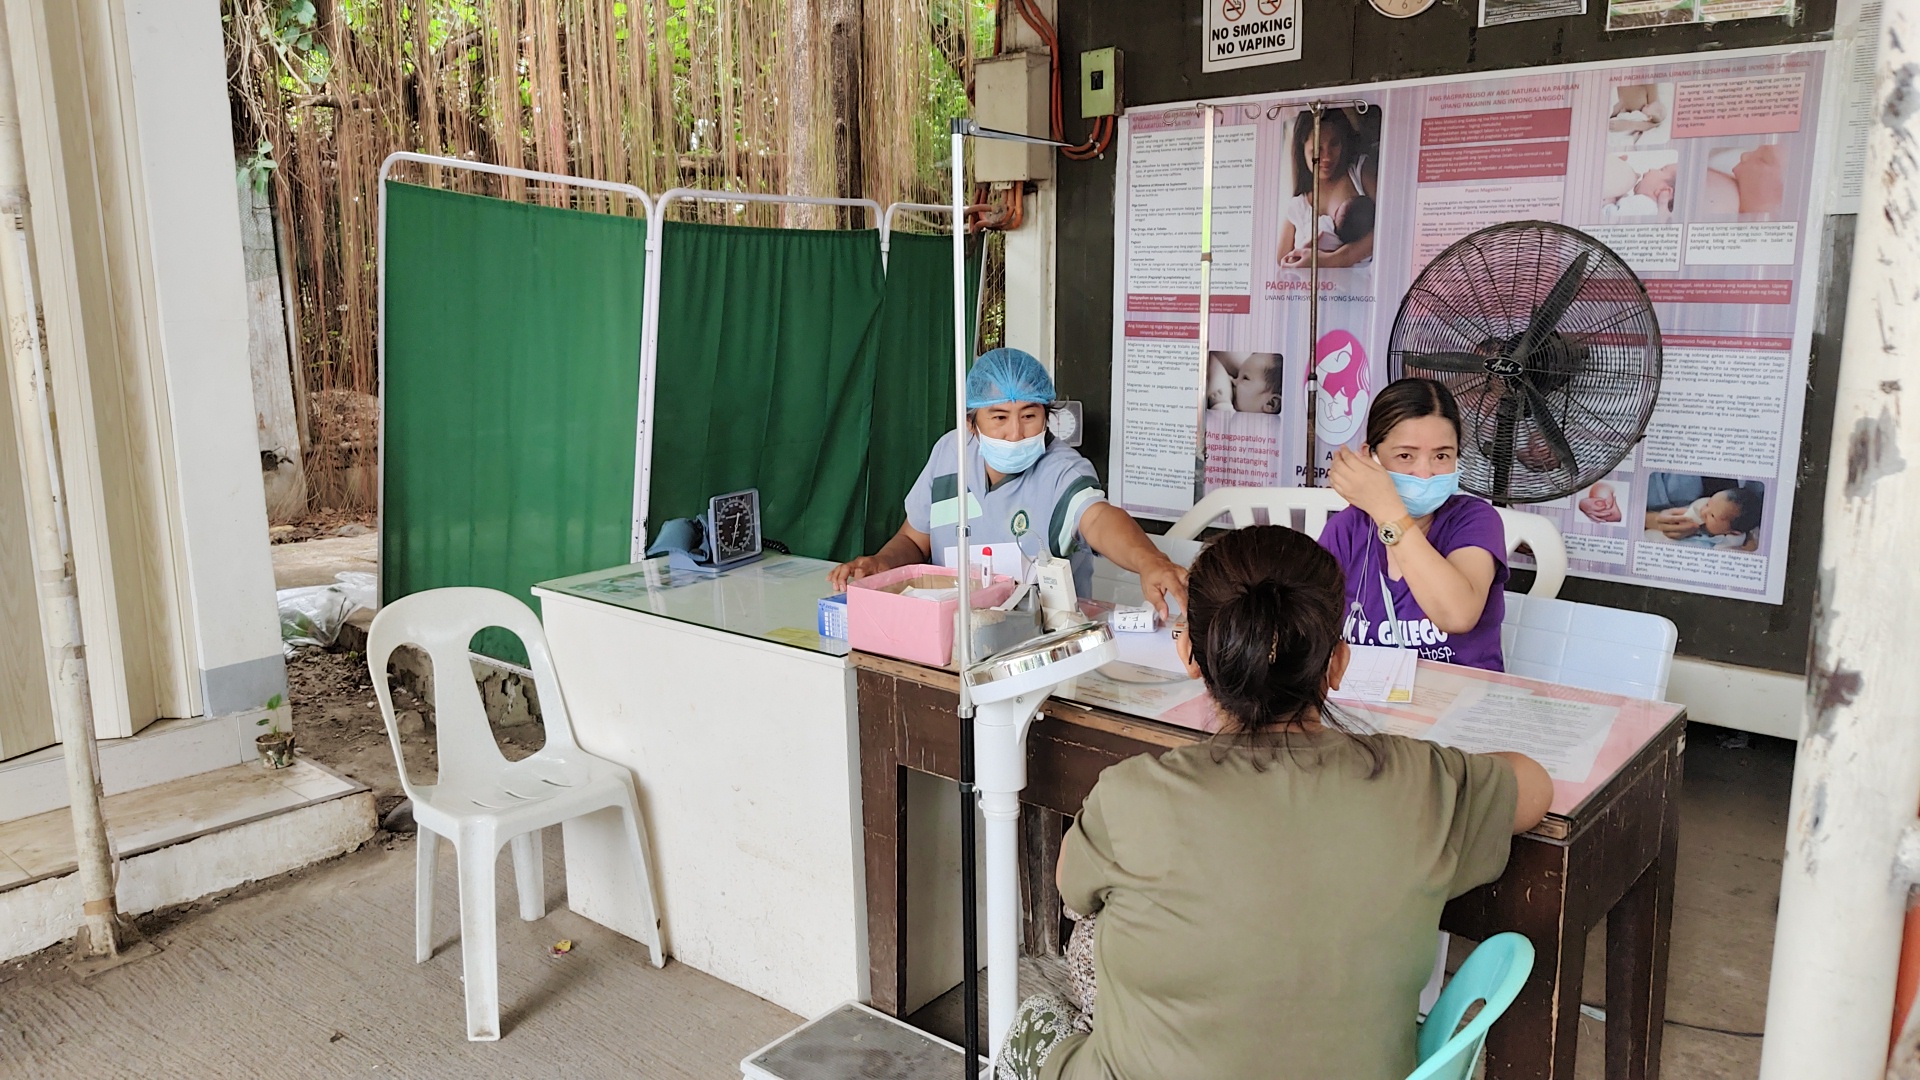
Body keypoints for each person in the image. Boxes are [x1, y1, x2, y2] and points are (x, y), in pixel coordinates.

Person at [993, 525, 1553, 1080]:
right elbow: (1534, 787)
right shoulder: (1420, 780)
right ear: (1337, 664)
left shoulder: (1130, 795)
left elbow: (1072, 886)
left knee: (1041, 1010)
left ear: (1190, 653)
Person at [828, 348, 1187, 617]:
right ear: (971, 422)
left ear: (1047, 416)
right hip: (953, 633)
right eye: (999, 417)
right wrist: (882, 563)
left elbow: (1096, 518)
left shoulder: (1061, 471)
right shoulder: (950, 454)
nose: (1015, 433)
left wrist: (1149, 560)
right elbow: (913, 538)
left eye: (1029, 416)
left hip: (1041, 642)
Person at [1320, 378, 1509, 671]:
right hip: (1367, 709)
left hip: (1461, 704)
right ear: (1372, 457)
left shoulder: (1477, 520)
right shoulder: (1346, 529)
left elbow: (1458, 615)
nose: (1425, 473)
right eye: (1405, 455)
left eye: (1442, 456)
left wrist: (1387, 511)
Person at [1277, 110, 1373, 270]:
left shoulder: (1359, 173)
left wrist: (1332, 259)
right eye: (1317, 148)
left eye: (1334, 144)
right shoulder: (1298, 205)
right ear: (1303, 147)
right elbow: (1280, 264)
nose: (1327, 157)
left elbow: (1389, 227)